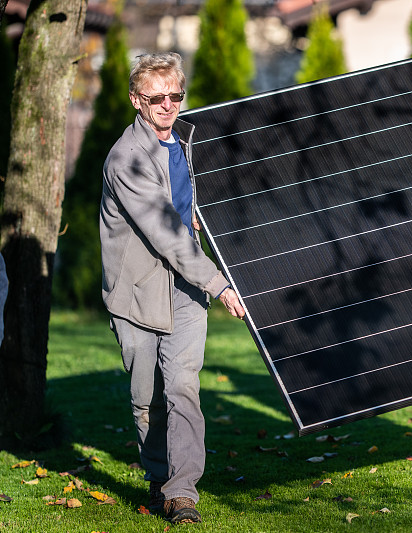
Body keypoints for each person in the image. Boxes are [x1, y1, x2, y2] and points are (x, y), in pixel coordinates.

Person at [100, 52, 246, 524]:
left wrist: (200, 215)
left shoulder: (189, 142)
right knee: (148, 398)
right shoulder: (126, 159)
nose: (167, 105)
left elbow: (190, 203)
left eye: (175, 96)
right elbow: (165, 230)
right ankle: (158, 476)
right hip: (138, 292)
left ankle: (182, 493)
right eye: (156, 98)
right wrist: (219, 284)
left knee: (183, 386)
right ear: (136, 100)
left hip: (185, 286)